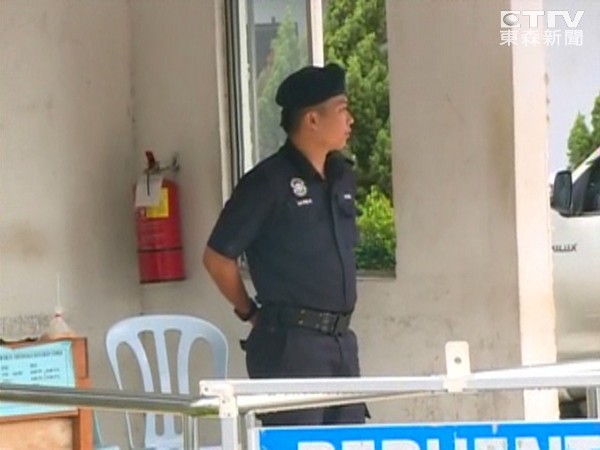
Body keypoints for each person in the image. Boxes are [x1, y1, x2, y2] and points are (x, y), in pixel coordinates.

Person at [203, 63, 366, 426]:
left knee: (351, 442)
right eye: (342, 110)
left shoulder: (341, 176)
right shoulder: (267, 183)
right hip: (292, 347)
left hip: (341, 343)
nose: (350, 120)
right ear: (312, 120)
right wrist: (249, 311)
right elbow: (217, 258)